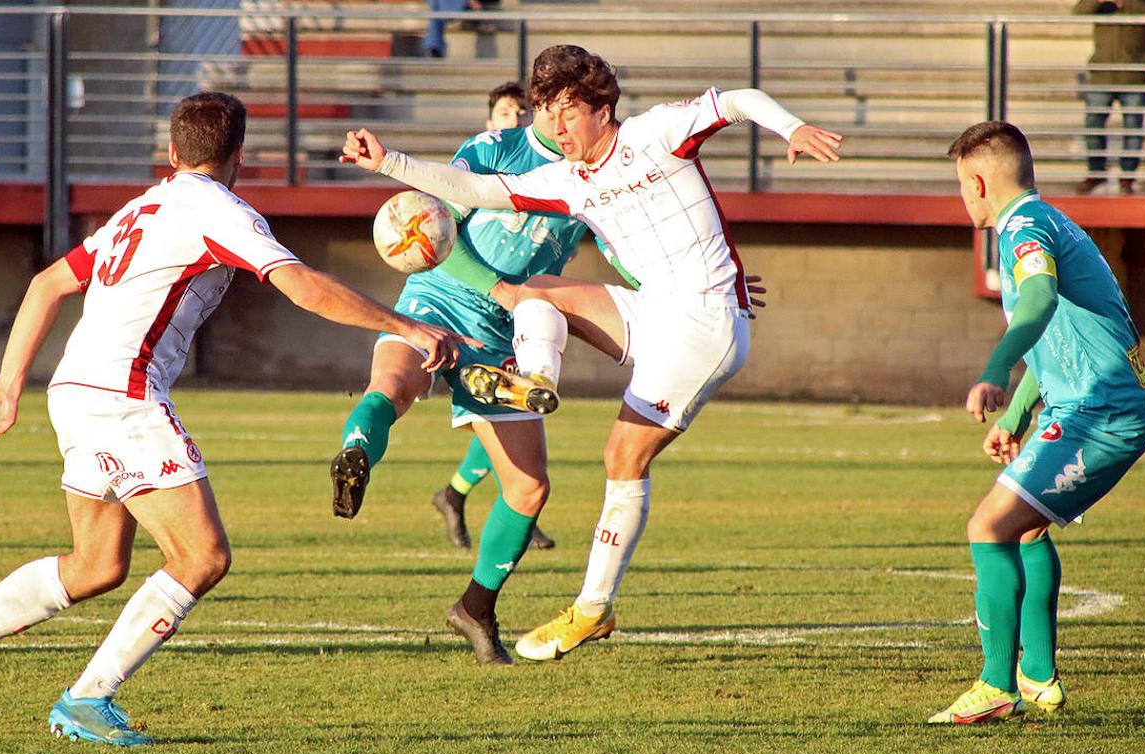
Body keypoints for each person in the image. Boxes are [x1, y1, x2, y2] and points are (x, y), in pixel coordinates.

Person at [0, 91, 466, 745]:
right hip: (125, 396)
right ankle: (88, 699)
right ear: (239, 157)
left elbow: (46, 284)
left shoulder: (144, 206)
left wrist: (9, 387)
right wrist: (406, 325)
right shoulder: (220, 211)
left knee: (96, 565)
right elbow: (305, 287)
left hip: (75, 391)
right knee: (202, 556)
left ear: (173, 153)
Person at [340, 44, 839, 662]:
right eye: (546, 110)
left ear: (604, 108)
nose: (555, 125)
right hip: (656, 311)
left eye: (568, 112)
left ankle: (591, 609)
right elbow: (472, 188)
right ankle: (533, 379)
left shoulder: (657, 134)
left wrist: (791, 127)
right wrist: (390, 161)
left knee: (620, 457)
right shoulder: (567, 180)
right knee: (541, 293)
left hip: (705, 327)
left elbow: (735, 100)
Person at [329, 82, 629, 664]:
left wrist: (690, 291)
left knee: (528, 488)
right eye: (559, 109)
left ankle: (475, 609)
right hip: (439, 299)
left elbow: (624, 255)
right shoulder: (495, 150)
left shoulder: (592, 173)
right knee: (390, 388)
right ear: (544, 105)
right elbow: (437, 232)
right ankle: (356, 454)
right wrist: (499, 288)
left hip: (501, 331)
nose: (568, 124)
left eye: (579, 111)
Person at [929, 121, 1145, 724]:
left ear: (977, 181)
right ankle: (1037, 678)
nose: (962, 198)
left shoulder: (1025, 228)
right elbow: (1061, 333)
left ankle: (995, 684)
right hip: (1091, 404)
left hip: (1099, 410)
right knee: (1026, 530)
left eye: (961, 185)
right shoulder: (1052, 220)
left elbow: (1038, 303)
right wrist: (1020, 411)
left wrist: (996, 368)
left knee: (988, 527)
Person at [430, 81, 555, 552]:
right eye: (506, 111)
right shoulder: (486, 157)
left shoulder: (558, 173)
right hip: (464, 304)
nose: (516, 118)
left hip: (513, 315)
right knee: (502, 407)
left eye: (523, 110)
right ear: (490, 122)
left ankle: (463, 496)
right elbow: (440, 231)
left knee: (510, 408)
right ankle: (474, 497)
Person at [1073, 0, 1145, 195]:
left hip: (1134, 75)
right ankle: (1096, 170)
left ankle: (1127, 176)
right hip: (1102, 74)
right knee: (1093, 121)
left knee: (1133, 126)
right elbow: (1078, 11)